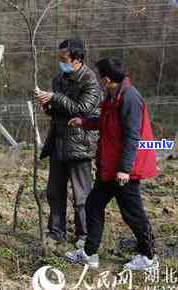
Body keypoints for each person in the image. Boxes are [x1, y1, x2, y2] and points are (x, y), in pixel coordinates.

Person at [65, 57, 158, 271]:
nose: (98, 80)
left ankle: (149, 257)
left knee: (133, 214)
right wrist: (85, 122)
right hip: (111, 166)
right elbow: (107, 121)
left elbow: (132, 135)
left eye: (100, 77)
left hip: (125, 170)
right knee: (93, 205)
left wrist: (125, 169)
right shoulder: (113, 96)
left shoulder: (129, 98)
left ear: (107, 79)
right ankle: (89, 254)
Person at [35, 39, 103, 249]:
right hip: (58, 142)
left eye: (64, 59)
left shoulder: (90, 82)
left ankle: (84, 235)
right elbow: (60, 109)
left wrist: (55, 98)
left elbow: (82, 109)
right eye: (60, 59)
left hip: (80, 144)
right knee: (54, 191)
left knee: (82, 195)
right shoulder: (59, 79)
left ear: (77, 60)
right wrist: (47, 106)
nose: (61, 63)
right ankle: (56, 232)